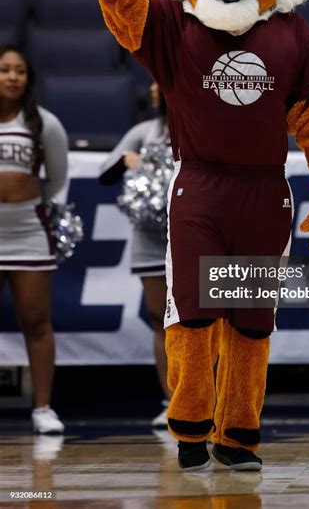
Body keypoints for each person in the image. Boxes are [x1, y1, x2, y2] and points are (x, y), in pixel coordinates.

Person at [96, 0, 309, 471]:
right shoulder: (173, 24)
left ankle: (238, 433)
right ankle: (188, 424)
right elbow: (125, 13)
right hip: (200, 187)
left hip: (266, 193)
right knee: (192, 312)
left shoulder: (294, 33)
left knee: (251, 321)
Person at [0, 46, 68, 434]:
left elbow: (57, 179)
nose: (12, 77)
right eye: (5, 70)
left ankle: (43, 408)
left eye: (20, 71)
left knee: (36, 321)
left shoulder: (43, 122)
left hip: (27, 229)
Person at [99, 82, 172, 428]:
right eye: (152, 83)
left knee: (199, 320)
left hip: (195, 236)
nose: (154, 88)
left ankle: (203, 398)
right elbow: (105, 173)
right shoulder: (144, 132)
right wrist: (128, 161)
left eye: (161, 80)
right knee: (160, 319)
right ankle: (171, 400)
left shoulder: (200, 125)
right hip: (151, 239)